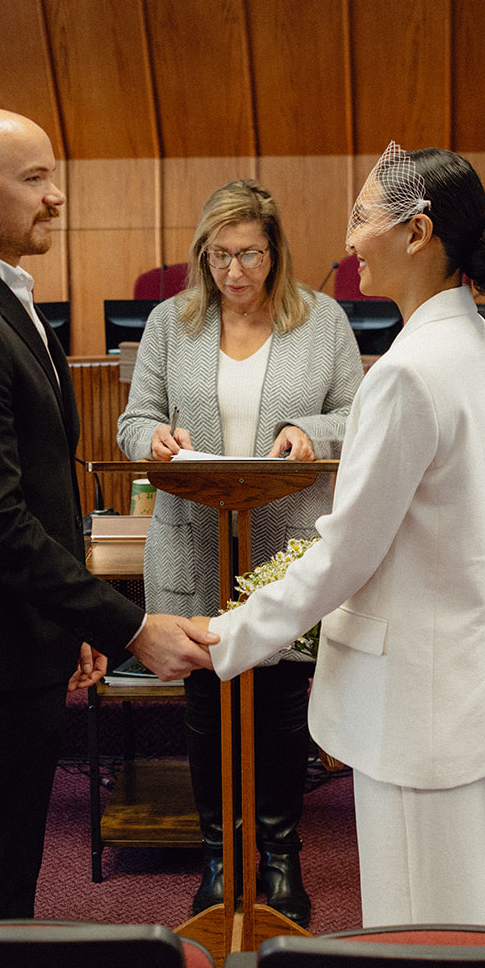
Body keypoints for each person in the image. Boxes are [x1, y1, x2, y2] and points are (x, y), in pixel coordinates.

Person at [0, 105, 218, 924]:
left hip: (12, 633)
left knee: (8, 882)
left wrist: (65, 619)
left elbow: (37, 491)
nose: (57, 196)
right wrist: (128, 627)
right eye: (34, 178)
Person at [200, 144, 485, 926]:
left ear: (417, 234)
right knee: (461, 918)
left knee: (418, 936)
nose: (349, 239)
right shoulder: (476, 341)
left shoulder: (409, 371)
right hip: (461, 678)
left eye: (362, 216)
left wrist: (228, 635)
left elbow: (349, 551)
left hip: (417, 697)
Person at [117, 179, 363, 927]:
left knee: (284, 706)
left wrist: (310, 432)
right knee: (207, 703)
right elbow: (135, 420)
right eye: (219, 256)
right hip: (193, 541)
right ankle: (220, 858)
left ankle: (281, 856)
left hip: (285, 542)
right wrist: (152, 441)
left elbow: (359, 412)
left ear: (275, 250)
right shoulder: (172, 322)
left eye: (248, 254)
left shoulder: (322, 322)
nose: (234, 272)